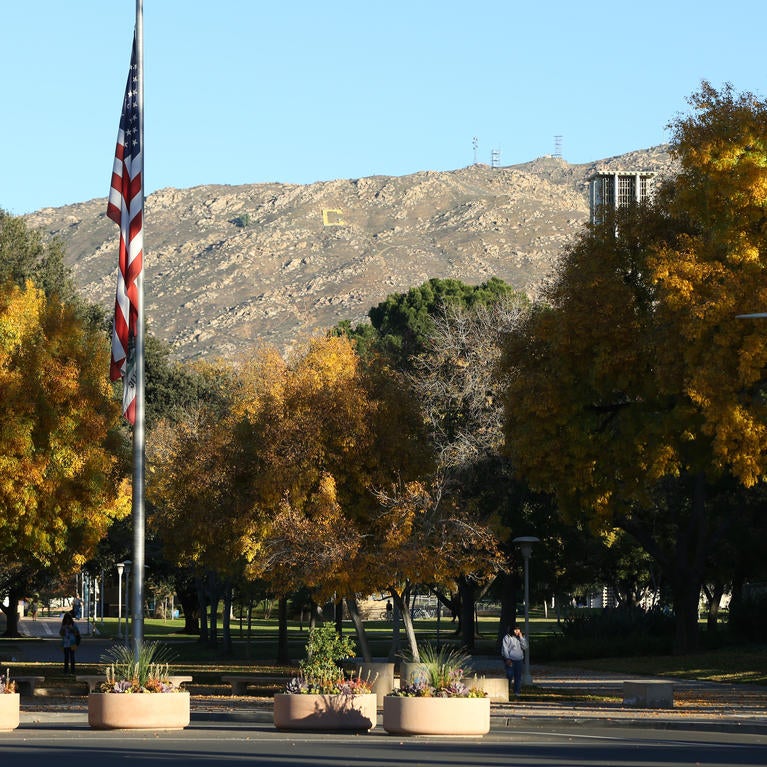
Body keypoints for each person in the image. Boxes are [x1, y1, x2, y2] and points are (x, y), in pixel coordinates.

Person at [501, 625, 528, 697]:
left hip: (519, 660)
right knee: (509, 675)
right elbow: (505, 649)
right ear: (512, 630)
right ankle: (507, 689)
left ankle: (517, 692)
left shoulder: (521, 637)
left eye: (518, 630)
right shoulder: (507, 637)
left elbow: (525, 647)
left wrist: (521, 638)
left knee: (518, 677)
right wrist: (507, 659)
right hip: (510, 660)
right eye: (515, 630)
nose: (517, 631)